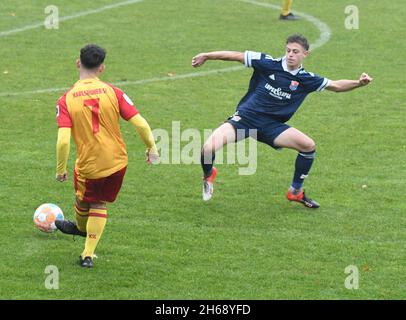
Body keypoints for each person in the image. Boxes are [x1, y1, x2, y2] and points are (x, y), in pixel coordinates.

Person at [192, 34, 373, 208]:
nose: (291, 55)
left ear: (305, 54)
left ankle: (295, 191)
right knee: (208, 148)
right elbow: (236, 56)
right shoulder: (267, 63)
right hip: (245, 119)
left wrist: (359, 83)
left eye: (295, 51)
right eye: (288, 50)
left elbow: (336, 85)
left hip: (271, 126)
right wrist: (207, 55)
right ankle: (208, 175)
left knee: (308, 145)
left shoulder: (306, 79)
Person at [55, 44, 159, 268]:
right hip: (118, 162)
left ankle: (87, 253)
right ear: (101, 68)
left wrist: (60, 169)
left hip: (89, 166)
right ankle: (82, 232)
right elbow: (140, 124)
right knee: (94, 201)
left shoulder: (66, 100)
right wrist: (151, 147)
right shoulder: (114, 92)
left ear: (77, 63)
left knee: (88, 201)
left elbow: (63, 140)